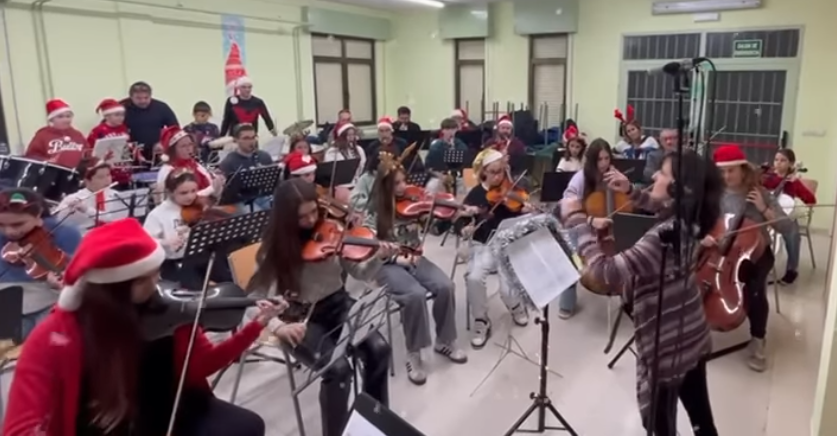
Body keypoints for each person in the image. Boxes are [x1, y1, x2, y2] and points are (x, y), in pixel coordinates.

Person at [2, 218, 280, 436]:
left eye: (156, 272)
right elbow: (20, 426)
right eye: (146, 277)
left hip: (170, 408)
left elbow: (200, 365)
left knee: (248, 425)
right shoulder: (55, 336)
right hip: (104, 425)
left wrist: (255, 327)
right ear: (114, 288)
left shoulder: (168, 311)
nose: (158, 281)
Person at [559, 149, 720, 436]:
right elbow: (664, 206)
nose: (655, 175)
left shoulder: (660, 240)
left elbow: (604, 273)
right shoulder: (691, 219)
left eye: (663, 173)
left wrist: (579, 222)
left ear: (678, 188)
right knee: (702, 418)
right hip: (691, 330)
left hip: (667, 342)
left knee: (658, 424)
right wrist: (632, 192)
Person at [248, 178, 397, 436]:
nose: (310, 220)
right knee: (338, 371)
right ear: (285, 219)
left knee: (379, 350)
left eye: (313, 212)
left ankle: (372, 422)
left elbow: (359, 273)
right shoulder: (273, 249)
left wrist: (379, 258)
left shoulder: (331, 230)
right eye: (301, 217)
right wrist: (278, 326)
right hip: (299, 319)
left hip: (338, 304)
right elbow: (254, 299)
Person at [362, 151, 466, 384]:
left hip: (414, 257)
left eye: (404, 181)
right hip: (387, 265)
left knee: (446, 286)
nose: (403, 187)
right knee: (415, 295)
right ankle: (413, 353)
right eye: (396, 183)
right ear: (385, 186)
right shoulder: (375, 211)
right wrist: (395, 259)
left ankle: (444, 340)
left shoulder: (412, 202)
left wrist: (435, 206)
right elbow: (370, 248)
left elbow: (435, 225)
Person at [712, 144, 792, 372]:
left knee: (755, 288)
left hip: (756, 252)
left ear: (743, 169)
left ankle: (758, 338)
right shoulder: (716, 194)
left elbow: (786, 227)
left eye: (731, 171)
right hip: (723, 249)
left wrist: (763, 208)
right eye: (722, 172)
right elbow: (706, 222)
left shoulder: (760, 193)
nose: (726, 176)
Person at [460, 149, 533, 348]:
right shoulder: (476, 194)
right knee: (474, 277)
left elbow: (517, 213)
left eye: (501, 171)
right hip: (482, 244)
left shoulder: (509, 190)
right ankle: (481, 320)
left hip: (506, 243)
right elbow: (462, 219)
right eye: (493, 172)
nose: (498, 176)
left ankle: (515, 306)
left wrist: (524, 210)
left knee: (507, 287)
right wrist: (465, 227)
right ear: (483, 172)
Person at [0, 188, 81, 341]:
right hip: (9, 302)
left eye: (18, 224)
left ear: (38, 215)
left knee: (53, 339)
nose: (9, 231)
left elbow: (80, 277)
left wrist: (59, 282)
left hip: (49, 300)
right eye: (1, 225)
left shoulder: (63, 233)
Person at [143, 170, 232, 289]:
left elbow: (207, 192)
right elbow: (145, 242)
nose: (190, 196)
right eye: (183, 193)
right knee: (192, 288)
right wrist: (165, 242)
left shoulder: (196, 204)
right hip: (175, 263)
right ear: (170, 192)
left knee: (226, 277)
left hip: (201, 256)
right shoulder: (157, 214)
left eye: (193, 191)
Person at [557, 139, 615, 318]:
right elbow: (566, 206)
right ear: (591, 160)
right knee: (573, 259)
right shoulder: (581, 177)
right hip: (578, 225)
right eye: (599, 159)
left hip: (604, 226)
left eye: (607, 158)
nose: (604, 164)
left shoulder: (613, 175)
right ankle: (567, 302)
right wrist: (590, 220)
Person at [762, 148, 815, 285]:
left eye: (783, 160)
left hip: (785, 216)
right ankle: (760, 267)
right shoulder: (767, 178)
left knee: (793, 234)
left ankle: (792, 270)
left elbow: (811, 200)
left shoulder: (793, 182)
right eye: (776, 160)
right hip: (765, 214)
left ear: (791, 164)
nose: (778, 163)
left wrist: (795, 184)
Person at [155, 125, 223, 200]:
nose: (189, 149)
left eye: (190, 144)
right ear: (173, 150)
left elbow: (210, 181)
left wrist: (217, 179)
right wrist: (211, 189)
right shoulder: (168, 170)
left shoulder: (195, 164)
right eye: (183, 146)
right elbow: (183, 198)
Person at [56, 162, 128, 229]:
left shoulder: (117, 196)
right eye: (101, 177)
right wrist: (67, 211)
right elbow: (57, 223)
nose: (107, 180)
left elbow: (116, 219)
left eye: (108, 175)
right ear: (87, 181)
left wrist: (86, 210)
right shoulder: (73, 198)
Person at [25, 98, 90, 170]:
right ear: (51, 119)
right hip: (53, 173)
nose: (66, 120)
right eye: (60, 117)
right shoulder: (42, 135)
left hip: (77, 173)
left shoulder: (77, 134)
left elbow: (87, 153)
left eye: (68, 116)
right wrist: (46, 161)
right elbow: (31, 157)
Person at [121, 81, 178, 161]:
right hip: (130, 154)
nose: (143, 101)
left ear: (151, 95)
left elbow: (175, 129)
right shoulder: (121, 109)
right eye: (138, 98)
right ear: (131, 97)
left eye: (146, 98)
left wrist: (164, 143)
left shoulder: (161, 107)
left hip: (158, 153)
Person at [87, 98, 134, 187]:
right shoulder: (98, 131)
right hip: (108, 171)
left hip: (123, 168)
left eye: (122, 115)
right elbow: (91, 150)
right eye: (117, 115)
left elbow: (127, 146)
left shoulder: (124, 128)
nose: (121, 118)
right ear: (107, 116)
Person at [425, 118, 468, 195]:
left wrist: (453, 148)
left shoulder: (461, 145)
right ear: (442, 130)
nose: (450, 132)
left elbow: (465, 164)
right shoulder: (436, 146)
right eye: (447, 129)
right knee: (431, 187)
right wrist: (441, 176)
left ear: (456, 130)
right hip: (439, 176)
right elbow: (429, 167)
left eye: (453, 129)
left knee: (466, 188)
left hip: (457, 176)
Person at [323, 121, 366, 196]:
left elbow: (363, 166)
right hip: (340, 187)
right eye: (348, 135)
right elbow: (330, 172)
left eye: (353, 134)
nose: (351, 138)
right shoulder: (333, 152)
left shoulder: (359, 149)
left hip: (357, 184)